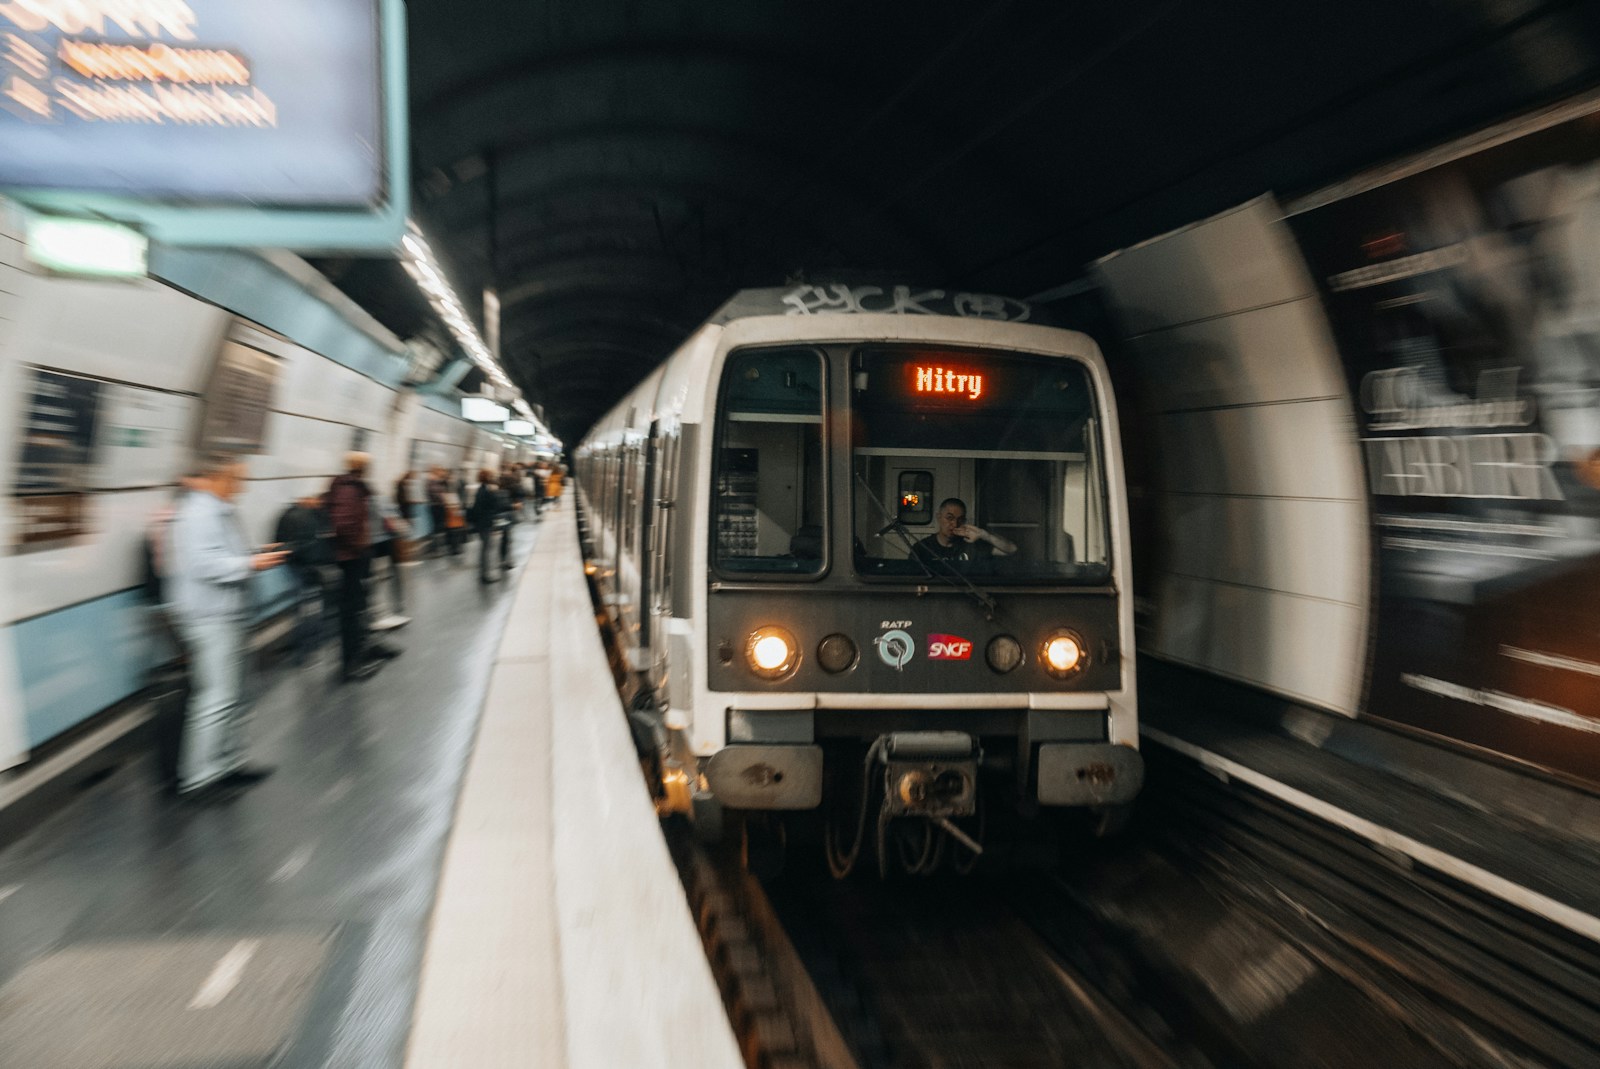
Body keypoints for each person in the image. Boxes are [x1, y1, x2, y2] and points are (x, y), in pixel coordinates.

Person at [164, 456, 287, 800]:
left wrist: (255, 554)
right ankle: (199, 778)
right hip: (209, 616)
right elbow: (204, 564)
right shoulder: (200, 513)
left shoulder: (217, 510)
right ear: (219, 478)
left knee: (237, 694)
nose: (241, 487)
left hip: (228, 614)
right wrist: (251, 562)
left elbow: (220, 554)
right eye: (238, 480)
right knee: (216, 696)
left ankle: (227, 763)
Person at [328, 452, 389, 682]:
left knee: (360, 608)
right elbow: (343, 524)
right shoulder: (348, 489)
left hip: (358, 556)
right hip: (351, 559)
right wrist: (358, 547)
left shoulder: (356, 487)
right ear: (361, 466)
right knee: (350, 613)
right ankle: (350, 665)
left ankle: (361, 652)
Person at [273, 493, 333, 665]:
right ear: (308, 499)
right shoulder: (306, 516)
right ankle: (309, 647)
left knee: (302, 608)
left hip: (294, 565)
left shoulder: (287, 514)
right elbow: (312, 544)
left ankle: (304, 648)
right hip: (307, 566)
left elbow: (278, 540)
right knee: (311, 608)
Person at [912, 497, 1016, 564]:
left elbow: (1011, 550)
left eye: (960, 520)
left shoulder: (971, 545)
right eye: (949, 518)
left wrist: (983, 534)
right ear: (939, 517)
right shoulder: (922, 548)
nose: (955, 524)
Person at [468, 467, 506, 584]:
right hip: (484, 523)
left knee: (486, 548)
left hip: (482, 523)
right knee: (486, 549)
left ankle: (484, 573)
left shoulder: (481, 490)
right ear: (487, 477)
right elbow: (494, 505)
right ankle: (484, 575)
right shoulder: (486, 491)